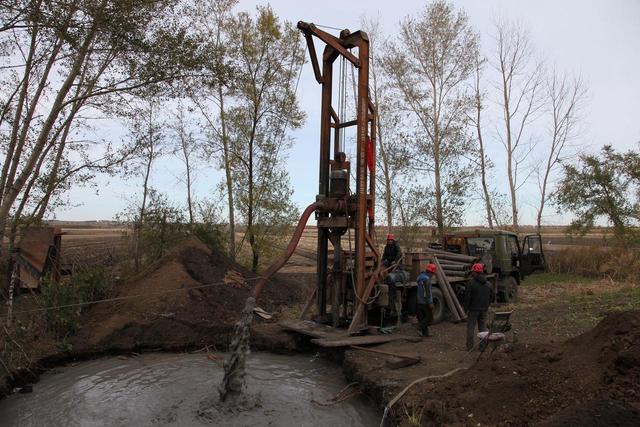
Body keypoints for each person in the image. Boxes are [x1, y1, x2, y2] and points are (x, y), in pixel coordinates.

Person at [464, 263, 493, 350]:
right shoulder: (488, 284)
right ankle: (482, 346)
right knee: (482, 328)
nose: (472, 273)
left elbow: (467, 298)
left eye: (473, 271)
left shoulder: (470, 283)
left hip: (473, 309)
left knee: (471, 327)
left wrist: (466, 309)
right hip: (484, 309)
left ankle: (470, 347)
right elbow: (492, 297)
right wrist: (487, 305)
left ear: (475, 272)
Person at [416, 263, 436, 337]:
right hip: (425, 302)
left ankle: (425, 333)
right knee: (429, 317)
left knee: (424, 317)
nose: (432, 275)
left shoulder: (420, 277)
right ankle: (419, 328)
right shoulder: (426, 279)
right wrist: (430, 302)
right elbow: (427, 292)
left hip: (419, 301)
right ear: (430, 272)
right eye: (432, 273)